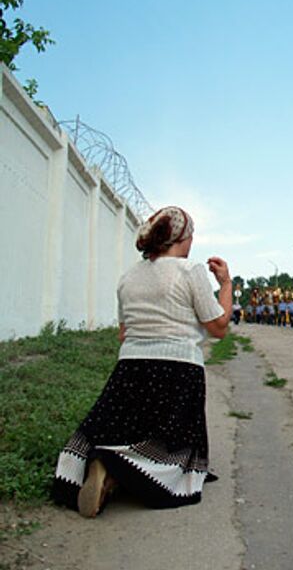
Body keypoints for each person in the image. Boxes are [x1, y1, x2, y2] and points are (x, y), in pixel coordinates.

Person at [52, 206, 232, 517]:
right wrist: (226, 285)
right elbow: (218, 328)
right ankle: (116, 468)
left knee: (123, 429)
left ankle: (101, 465)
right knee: (175, 452)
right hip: (178, 369)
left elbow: (124, 333)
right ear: (182, 238)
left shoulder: (128, 278)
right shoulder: (190, 271)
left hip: (130, 367)